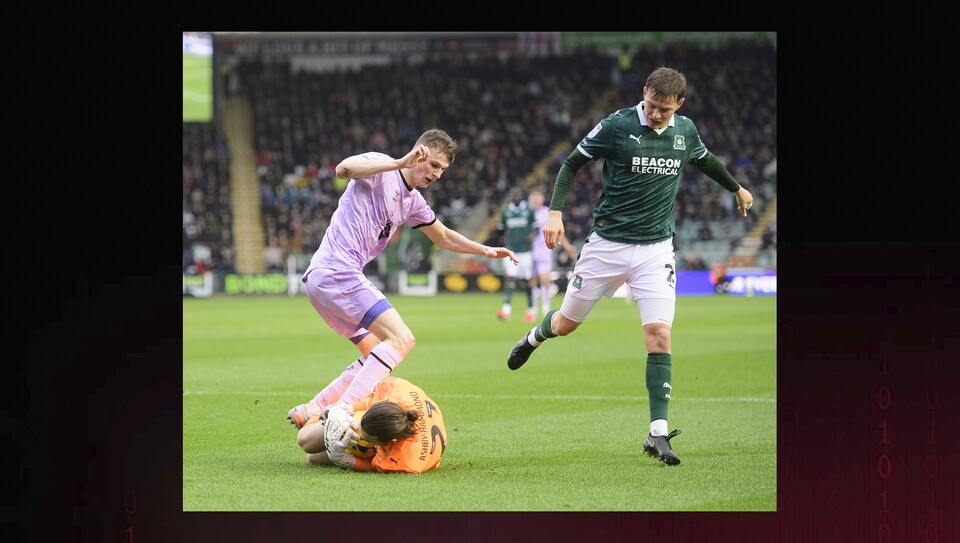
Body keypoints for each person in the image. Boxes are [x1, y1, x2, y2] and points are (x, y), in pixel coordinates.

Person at [505, 67, 754, 466]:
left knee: (659, 334)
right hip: (607, 246)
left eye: (665, 109)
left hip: (657, 250)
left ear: (680, 105)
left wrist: (737, 188)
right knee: (567, 323)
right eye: (652, 106)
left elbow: (707, 162)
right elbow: (571, 164)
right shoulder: (616, 126)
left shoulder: (685, 131)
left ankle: (657, 434)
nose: (656, 114)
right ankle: (534, 336)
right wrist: (554, 212)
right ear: (644, 95)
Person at [287, 129, 518, 427]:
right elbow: (343, 169)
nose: (437, 174)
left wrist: (485, 250)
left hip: (326, 279)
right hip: (337, 271)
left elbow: (444, 236)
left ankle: (311, 408)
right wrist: (399, 162)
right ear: (419, 152)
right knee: (402, 339)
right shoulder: (381, 166)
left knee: (375, 353)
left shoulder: (413, 202)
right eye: (433, 165)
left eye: (442, 170)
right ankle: (340, 412)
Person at [296, 376, 446, 473]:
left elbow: (374, 465)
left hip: (405, 449)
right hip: (393, 417)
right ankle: (322, 411)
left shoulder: (402, 461)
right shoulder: (396, 390)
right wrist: (347, 409)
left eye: (367, 439)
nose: (360, 437)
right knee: (307, 440)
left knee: (314, 457)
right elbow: (371, 400)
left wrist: (347, 461)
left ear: (388, 443)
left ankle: (325, 414)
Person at [528, 187, 577, 318]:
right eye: (533, 196)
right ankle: (532, 308)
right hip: (529, 250)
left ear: (542, 199)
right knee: (532, 280)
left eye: (538, 197)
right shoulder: (526, 213)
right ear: (529, 199)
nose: (536, 199)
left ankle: (545, 307)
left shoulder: (547, 213)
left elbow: (557, 229)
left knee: (544, 278)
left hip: (544, 250)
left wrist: (567, 246)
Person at [495, 186, 537, 323]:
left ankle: (531, 309)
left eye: (517, 194)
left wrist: (532, 235)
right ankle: (506, 310)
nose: (515, 197)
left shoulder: (529, 209)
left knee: (525, 281)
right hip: (511, 250)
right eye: (513, 194)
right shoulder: (506, 211)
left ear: (522, 196)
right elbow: (501, 230)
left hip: (525, 250)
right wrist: (498, 231)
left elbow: (535, 227)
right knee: (510, 278)